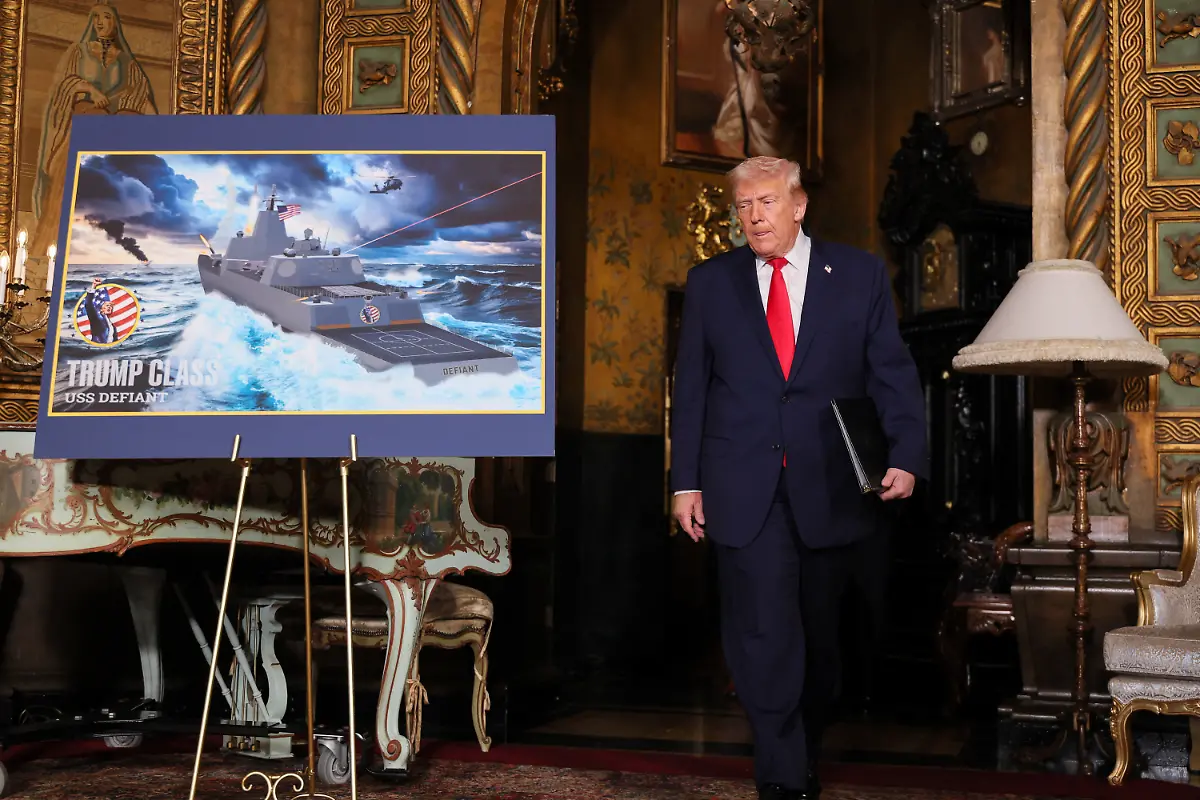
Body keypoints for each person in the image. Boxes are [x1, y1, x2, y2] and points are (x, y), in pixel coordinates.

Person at [670, 156, 927, 800]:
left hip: (832, 485)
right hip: (742, 488)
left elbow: (891, 372)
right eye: (744, 205)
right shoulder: (710, 283)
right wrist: (684, 482)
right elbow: (691, 389)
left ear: (799, 205)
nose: (755, 216)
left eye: (767, 202)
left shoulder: (860, 275)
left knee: (821, 642)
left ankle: (804, 748)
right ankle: (782, 777)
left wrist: (906, 454)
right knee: (762, 635)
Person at [31, 1, 158, 258]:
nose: (101, 22)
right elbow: (65, 84)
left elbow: (139, 96)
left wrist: (161, 128)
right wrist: (90, 90)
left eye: (107, 17)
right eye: (96, 17)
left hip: (112, 134)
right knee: (66, 185)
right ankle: (50, 255)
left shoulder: (127, 63)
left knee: (114, 192)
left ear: (115, 24)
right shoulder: (79, 52)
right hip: (82, 128)